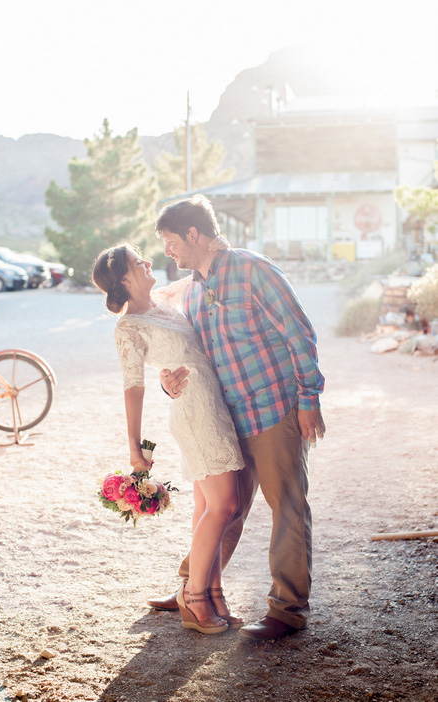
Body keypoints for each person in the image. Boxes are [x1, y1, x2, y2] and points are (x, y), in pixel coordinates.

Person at [148, 194, 326, 641]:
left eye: (171, 241)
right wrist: (168, 381)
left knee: (286, 507)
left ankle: (287, 611)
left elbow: (300, 333)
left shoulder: (252, 269)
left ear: (194, 234)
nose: (168, 251)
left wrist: (309, 399)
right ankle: (194, 588)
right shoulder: (191, 287)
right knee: (224, 508)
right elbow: (191, 353)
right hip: (226, 419)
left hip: (273, 410)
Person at [92, 242, 246, 635]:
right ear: (124, 279)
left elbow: (200, 269)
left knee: (205, 506)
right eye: (137, 261)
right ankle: (192, 597)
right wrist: (134, 446)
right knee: (226, 504)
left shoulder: (162, 300)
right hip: (196, 413)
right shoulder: (127, 327)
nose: (147, 262)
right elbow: (133, 386)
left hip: (213, 403)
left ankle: (212, 591)